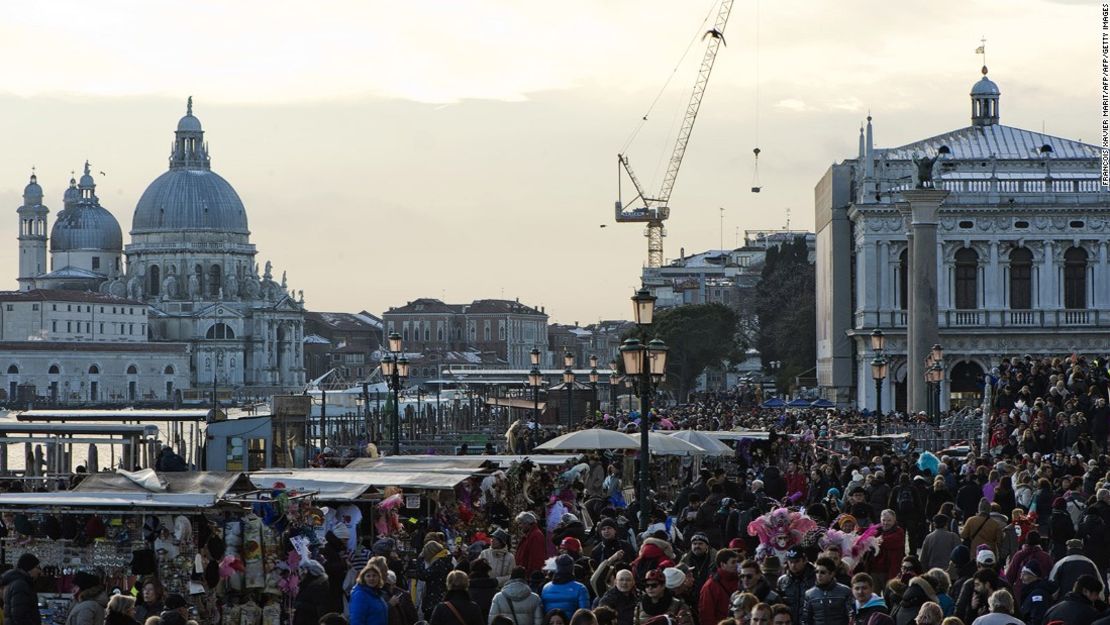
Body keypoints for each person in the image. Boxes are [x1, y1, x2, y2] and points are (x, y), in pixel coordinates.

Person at [801, 557, 851, 625]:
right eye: (817, 572)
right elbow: (806, 619)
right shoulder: (809, 594)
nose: (819, 575)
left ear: (832, 574)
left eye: (823, 572)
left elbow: (851, 616)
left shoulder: (845, 591)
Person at [409, 541, 453, 619]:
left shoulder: (438, 563)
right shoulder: (445, 559)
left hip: (434, 601)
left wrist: (420, 560)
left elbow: (423, 575)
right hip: (442, 597)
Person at [699, 549, 740, 625]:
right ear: (722, 564)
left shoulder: (741, 580)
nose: (736, 565)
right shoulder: (710, 586)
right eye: (733, 562)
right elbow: (706, 614)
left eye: (737, 562)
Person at [870, 511, 906, 588]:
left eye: (889, 520)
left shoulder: (899, 532)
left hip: (890, 571)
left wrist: (874, 541)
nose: (886, 523)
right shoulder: (875, 531)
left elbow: (888, 541)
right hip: (874, 570)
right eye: (884, 520)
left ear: (894, 520)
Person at [4, 553, 42, 625]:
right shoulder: (21, 585)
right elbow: (19, 616)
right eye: (37, 567)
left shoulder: (20, 582)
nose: (39, 571)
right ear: (29, 568)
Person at [778, 548, 817, 617]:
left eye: (797, 561)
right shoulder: (782, 581)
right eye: (791, 562)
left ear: (804, 560)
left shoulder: (816, 579)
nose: (793, 565)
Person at [295, 561, 336, 625]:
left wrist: (301, 605)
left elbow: (320, 609)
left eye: (304, 571)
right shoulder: (311, 583)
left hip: (310, 620)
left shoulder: (317, 586)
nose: (302, 573)